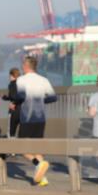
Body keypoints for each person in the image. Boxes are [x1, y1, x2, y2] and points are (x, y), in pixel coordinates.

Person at [15, 56, 58, 187]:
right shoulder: (43, 80)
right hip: (40, 118)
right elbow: (52, 97)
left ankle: (38, 164)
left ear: (26, 66)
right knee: (38, 148)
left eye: (23, 64)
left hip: (27, 118)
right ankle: (42, 178)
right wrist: (40, 101)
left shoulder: (21, 80)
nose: (22, 67)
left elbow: (21, 96)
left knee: (21, 148)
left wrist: (14, 101)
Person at [2, 68, 21, 138]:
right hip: (23, 111)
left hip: (14, 110)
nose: (9, 78)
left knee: (11, 133)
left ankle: (11, 148)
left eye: (9, 76)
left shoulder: (12, 84)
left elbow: (13, 96)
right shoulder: (22, 83)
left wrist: (6, 98)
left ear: (12, 75)